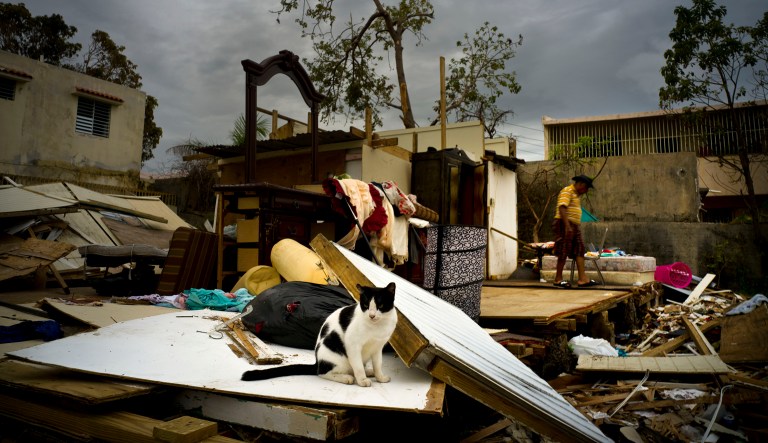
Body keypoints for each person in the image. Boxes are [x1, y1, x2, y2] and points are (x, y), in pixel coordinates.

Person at [552, 175, 598, 288]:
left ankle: (583, 279)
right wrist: (567, 226)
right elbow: (562, 207)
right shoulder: (567, 191)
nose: (586, 191)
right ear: (581, 184)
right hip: (564, 224)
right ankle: (558, 279)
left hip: (574, 225)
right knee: (563, 250)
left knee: (579, 250)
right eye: (586, 188)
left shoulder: (576, 195)